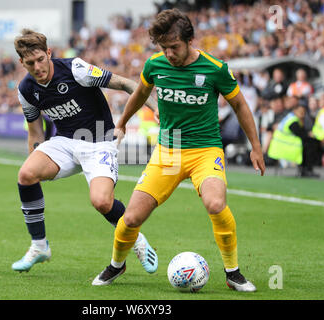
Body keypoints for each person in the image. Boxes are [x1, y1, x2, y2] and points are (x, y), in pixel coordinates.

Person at [92, 9, 265, 292]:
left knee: (215, 203)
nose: (169, 53)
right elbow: (139, 94)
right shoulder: (154, 65)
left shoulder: (215, 69)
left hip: (205, 150)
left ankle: (233, 273)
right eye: (164, 47)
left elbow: (240, 106)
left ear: (189, 40)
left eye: (174, 47)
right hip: (168, 151)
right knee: (132, 217)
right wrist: (121, 122)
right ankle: (116, 264)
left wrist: (256, 147)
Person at [11, 29, 159, 273]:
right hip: (65, 142)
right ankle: (39, 246)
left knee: (101, 202)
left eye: (40, 59)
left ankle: (137, 240)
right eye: (30, 63)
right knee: (26, 175)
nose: (37, 67)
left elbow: (126, 83)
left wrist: (155, 108)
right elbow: (36, 132)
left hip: (99, 140)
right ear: (22, 63)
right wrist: (36, 164)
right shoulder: (26, 89)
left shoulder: (76, 69)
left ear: (49, 53)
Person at [268, 103, 320, 178]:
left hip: (281, 144)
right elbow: (302, 134)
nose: (302, 114)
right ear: (295, 111)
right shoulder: (293, 121)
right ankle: (306, 170)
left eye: (303, 112)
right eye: (300, 112)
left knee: (309, 142)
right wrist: (310, 135)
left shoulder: (291, 117)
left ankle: (306, 169)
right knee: (310, 144)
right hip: (284, 146)